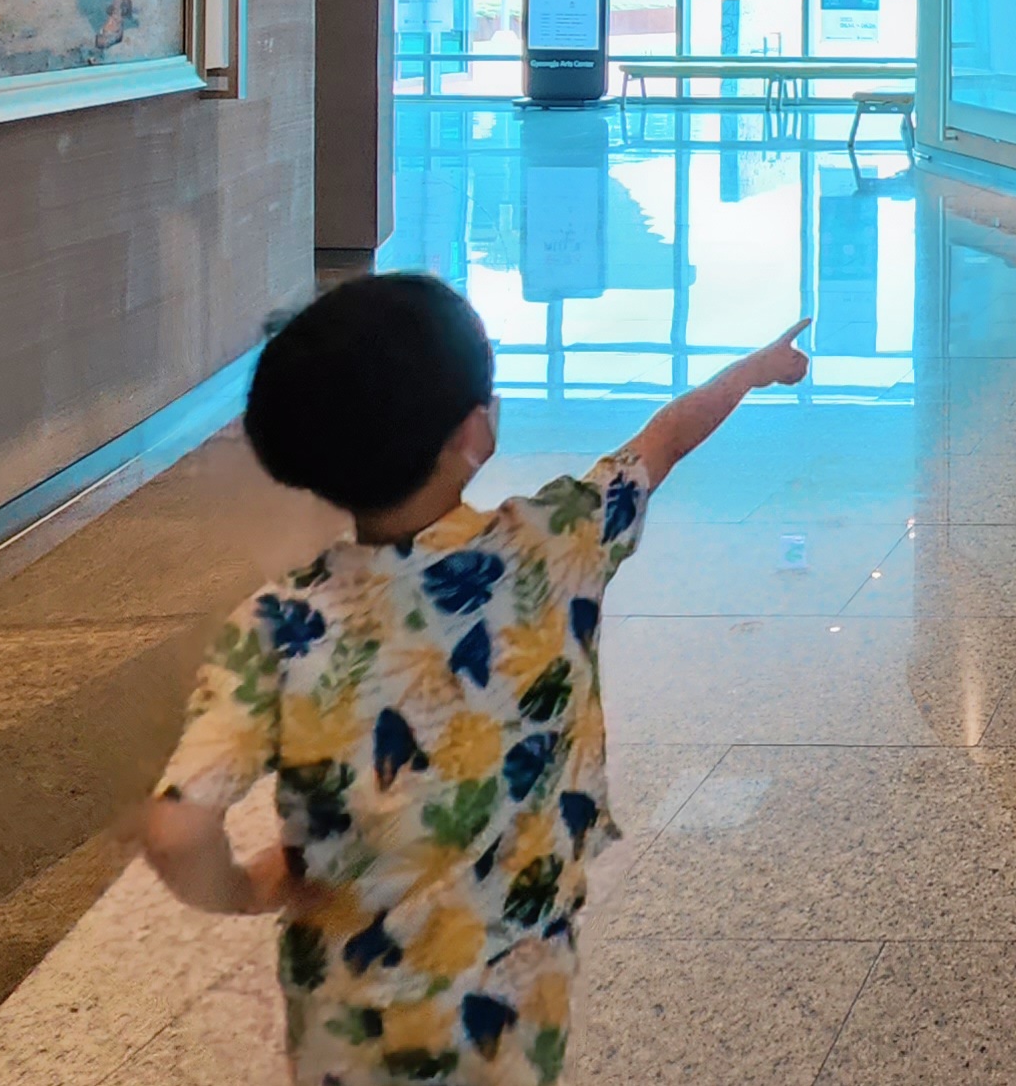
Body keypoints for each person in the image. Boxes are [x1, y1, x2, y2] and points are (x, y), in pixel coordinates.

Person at [135, 273, 810, 1086]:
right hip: (512, 1017)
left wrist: (245, 889)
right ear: (476, 432)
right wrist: (753, 370)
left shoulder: (277, 628)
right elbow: (664, 441)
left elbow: (176, 830)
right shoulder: (554, 545)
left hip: (346, 1032)